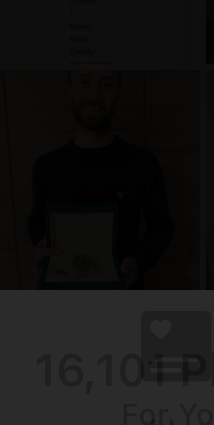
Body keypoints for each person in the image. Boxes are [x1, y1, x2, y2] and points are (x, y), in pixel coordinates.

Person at [27, 70, 173, 288]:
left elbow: (162, 225)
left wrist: (138, 263)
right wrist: (42, 252)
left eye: (106, 84)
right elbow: (36, 219)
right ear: (69, 90)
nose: (94, 95)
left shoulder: (144, 163)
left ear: (118, 94)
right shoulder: (45, 166)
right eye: (84, 82)